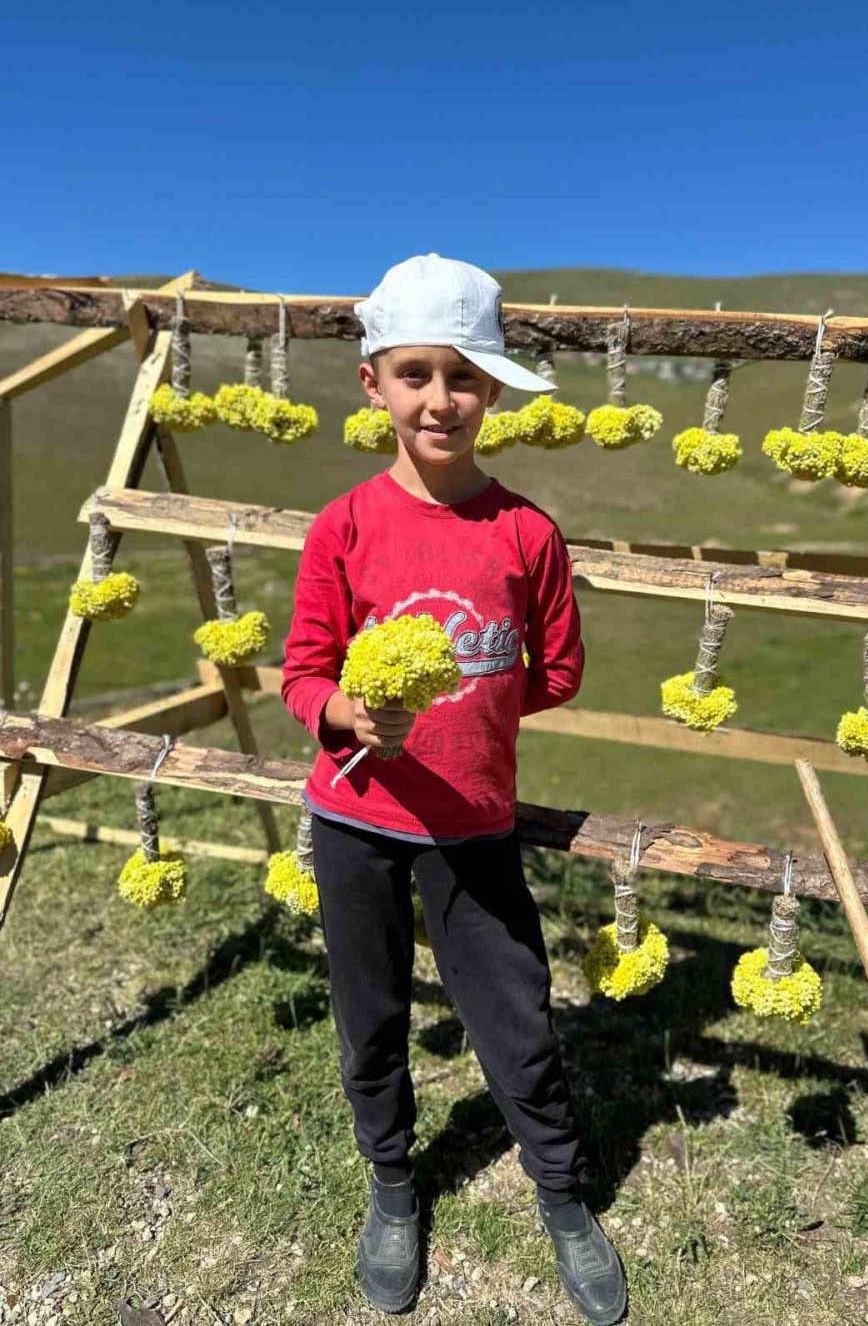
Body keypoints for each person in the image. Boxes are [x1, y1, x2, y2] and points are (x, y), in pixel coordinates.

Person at [281, 253, 626, 1324]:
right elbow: (302, 668)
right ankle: (393, 1186)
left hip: (473, 826)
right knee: (370, 1013)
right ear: (372, 383)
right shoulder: (342, 526)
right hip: (355, 819)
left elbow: (557, 670)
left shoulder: (526, 535)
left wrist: (470, 706)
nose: (441, 399)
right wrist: (347, 712)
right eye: (416, 374)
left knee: (514, 1015)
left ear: (493, 391)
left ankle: (563, 1196)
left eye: (463, 377)